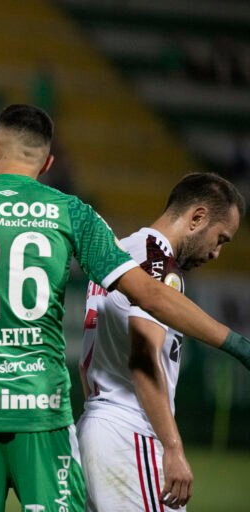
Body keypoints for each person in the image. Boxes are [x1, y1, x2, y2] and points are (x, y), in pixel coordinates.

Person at [0, 104, 250, 512]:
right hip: (41, 412)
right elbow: (151, 296)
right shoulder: (73, 213)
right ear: (48, 163)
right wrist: (238, 345)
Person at [78, 173, 244, 511]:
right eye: (221, 238)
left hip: (100, 424)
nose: (216, 252)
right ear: (197, 218)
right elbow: (143, 359)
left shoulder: (120, 253)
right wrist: (173, 447)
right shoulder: (158, 264)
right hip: (130, 435)